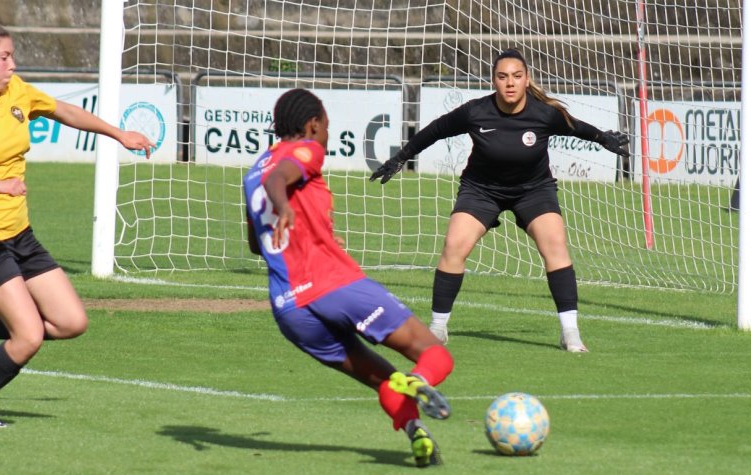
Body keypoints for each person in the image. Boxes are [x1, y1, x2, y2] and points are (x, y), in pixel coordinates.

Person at [244, 88, 454, 467]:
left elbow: (258, 245)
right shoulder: (307, 150)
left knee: (385, 381)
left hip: (290, 311)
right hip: (335, 286)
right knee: (434, 354)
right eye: (325, 124)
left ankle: (416, 434)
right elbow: (280, 180)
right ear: (312, 124)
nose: (326, 131)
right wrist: (284, 205)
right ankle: (421, 382)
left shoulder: (251, 174)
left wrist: (307, 227)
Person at [370, 48, 630, 352]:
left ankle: (570, 332)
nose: (510, 83)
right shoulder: (475, 111)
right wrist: (401, 158)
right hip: (481, 190)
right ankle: (438, 328)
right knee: (454, 245)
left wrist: (604, 139)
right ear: (494, 80)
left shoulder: (544, 114)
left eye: (517, 76)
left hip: (533, 190)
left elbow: (577, 127)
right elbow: (435, 131)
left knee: (555, 245)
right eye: (503, 76)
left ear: (526, 79)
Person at [0, 17, 153, 428]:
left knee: (71, 322)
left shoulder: (16, 92)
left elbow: (63, 110)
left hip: (19, 234)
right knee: (28, 336)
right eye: (4, 57)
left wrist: (118, 134)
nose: (12, 65)